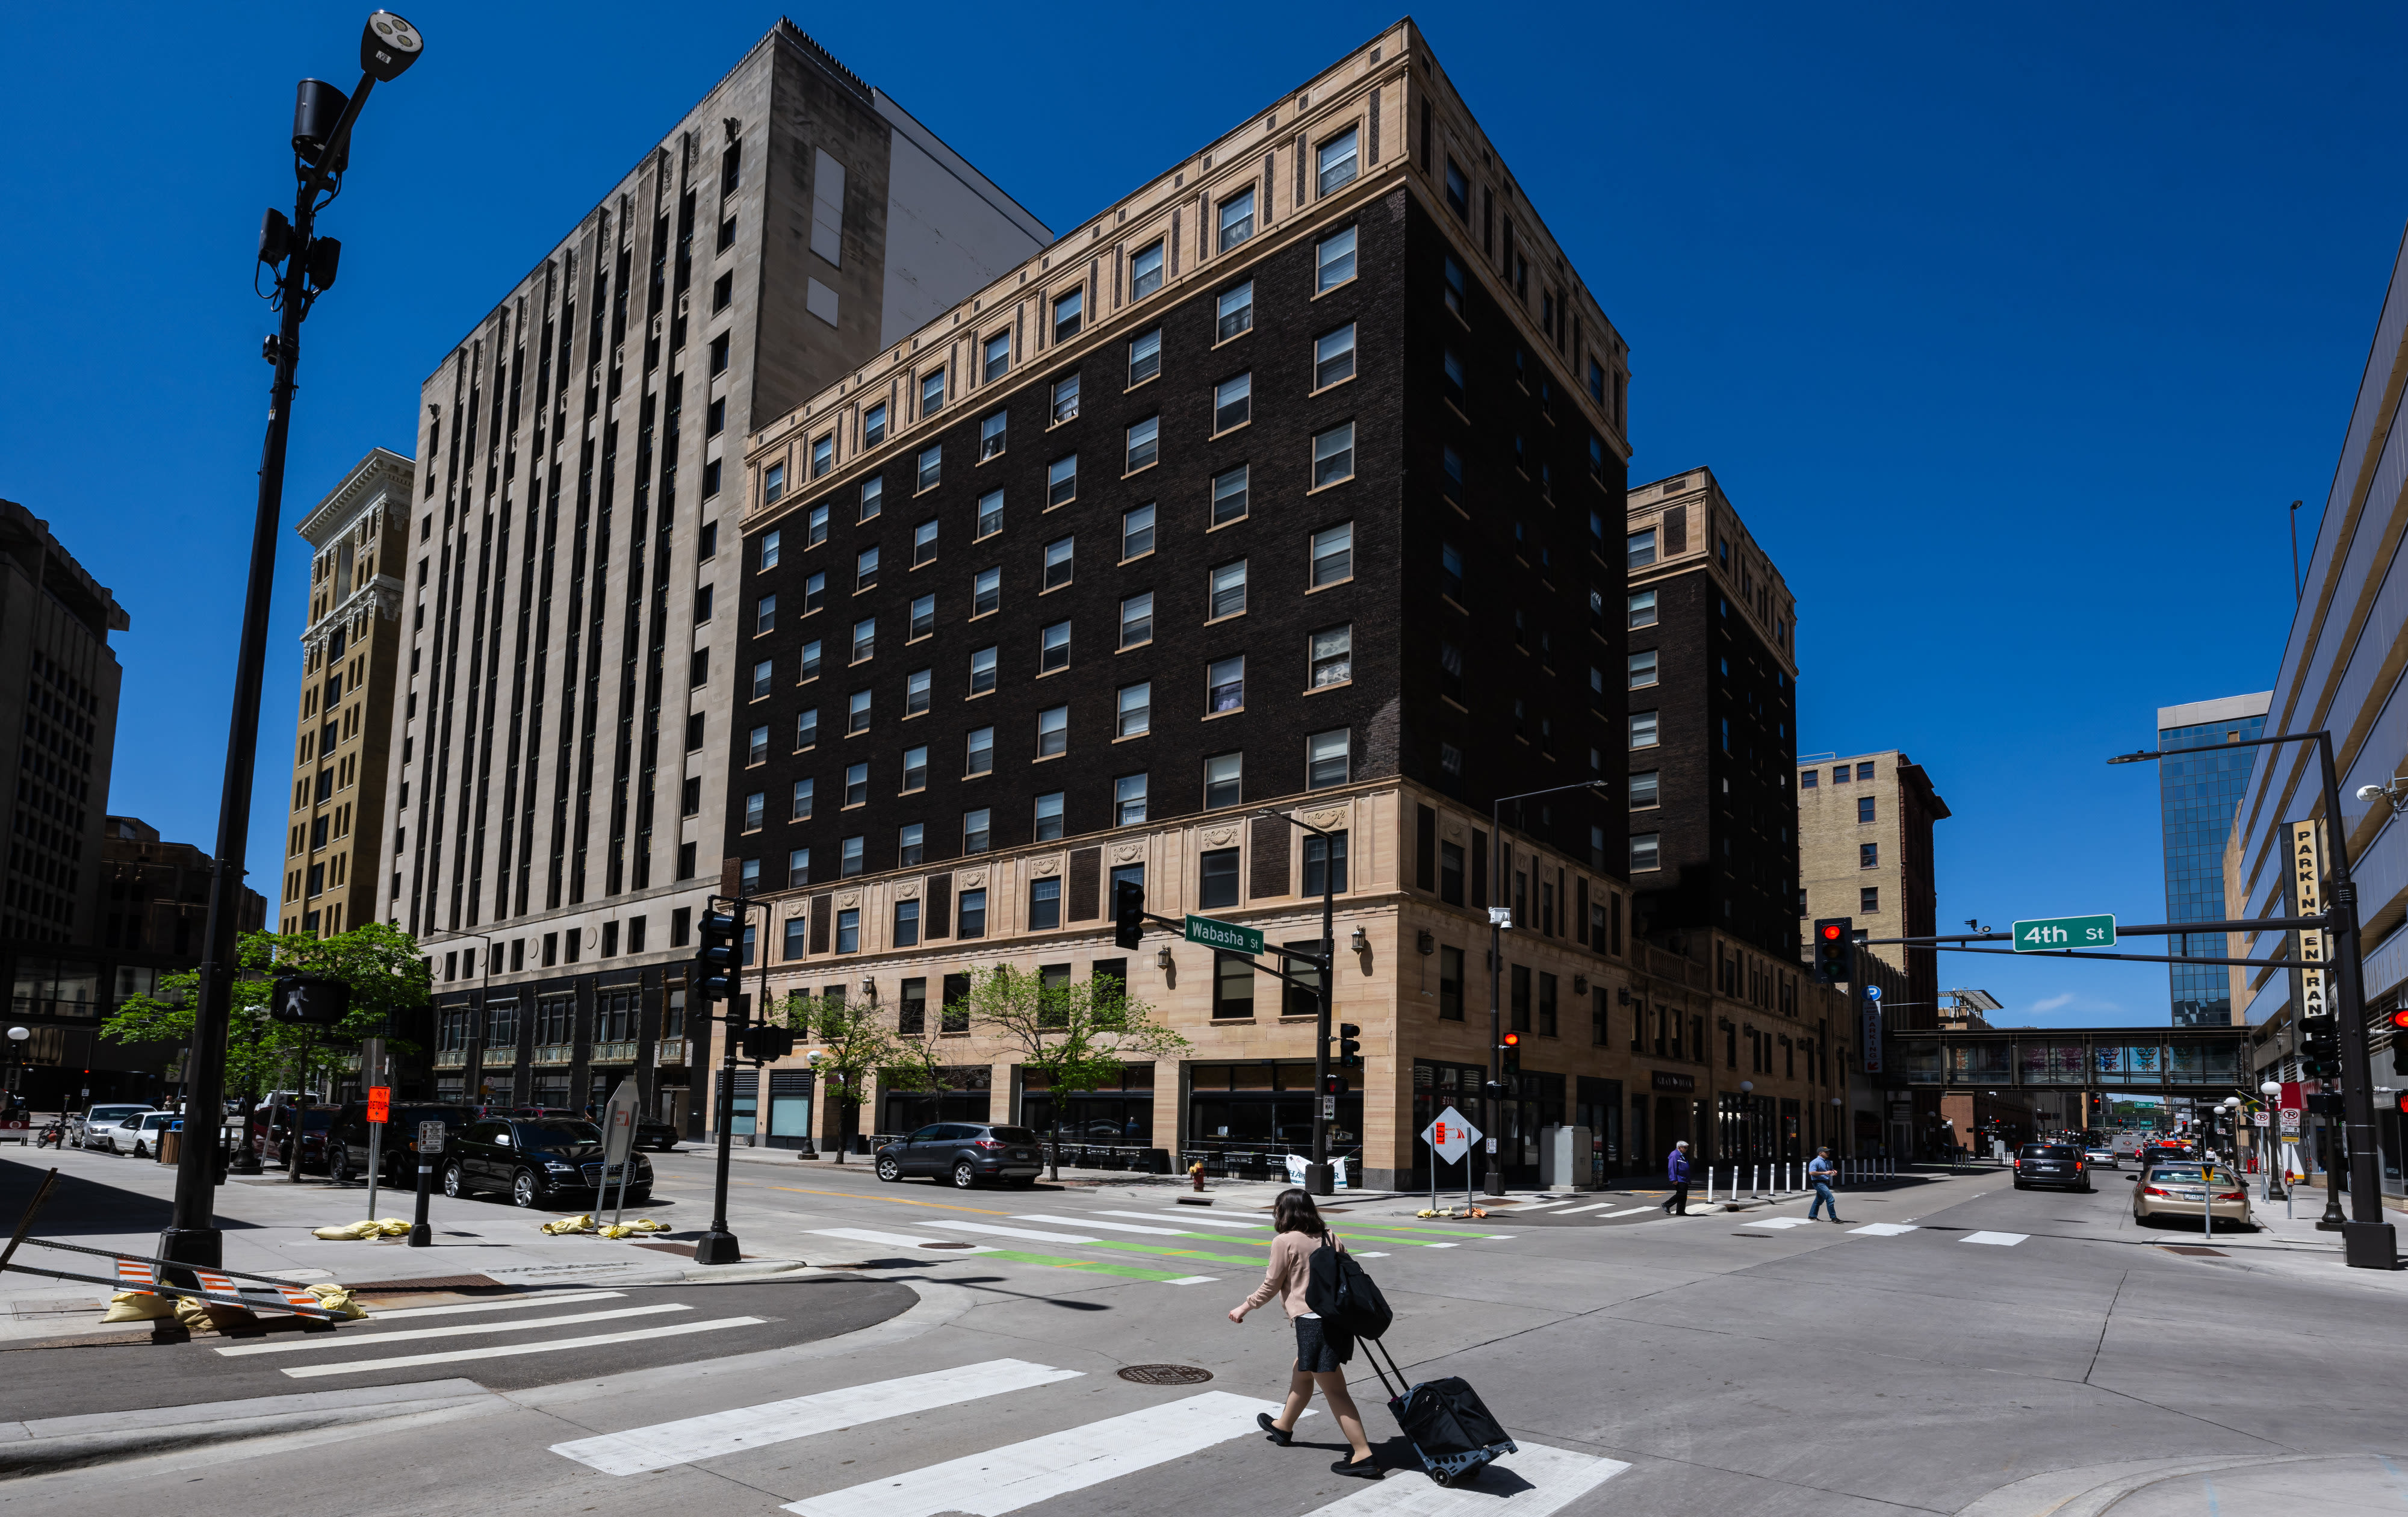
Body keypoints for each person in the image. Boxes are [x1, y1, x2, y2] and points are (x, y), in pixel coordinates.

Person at [1229, 1188, 1380, 1480]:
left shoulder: (1284, 1241)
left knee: (1335, 1390)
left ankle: (1363, 1454)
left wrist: (1244, 1307)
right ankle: (1283, 1426)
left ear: (1283, 1212)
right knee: (1302, 1370)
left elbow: (1271, 1285)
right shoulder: (1328, 1235)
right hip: (1337, 1319)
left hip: (1313, 1323)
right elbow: (1349, 1271)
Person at [1807, 1145, 1845, 1223]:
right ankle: (1834, 1218)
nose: (1828, 1153)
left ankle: (1812, 1216)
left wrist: (1834, 1172)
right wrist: (1825, 1172)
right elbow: (1811, 1172)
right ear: (1820, 1153)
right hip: (1818, 1183)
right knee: (1830, 1199)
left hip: (1825, 1182)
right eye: (1826, 1152)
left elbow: (1830, 1170)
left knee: (1819, 1201)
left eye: (1829, 1151)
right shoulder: (1815, 1162)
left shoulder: (1828, 1162)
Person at [1662, 1140, 1692, 1215]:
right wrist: (1673, 1179)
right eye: (1685, 1148)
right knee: (1682, 1194)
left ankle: (1680, 1211)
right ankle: (1667, 1204)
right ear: (1679, 1147)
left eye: (1687, 1148)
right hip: (1679, 1178)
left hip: (1684, 1179)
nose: (1686, 1149)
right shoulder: (1674, 1155)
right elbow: (1672, 1167)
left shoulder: (1683, 1155)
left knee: (1683, 1196)